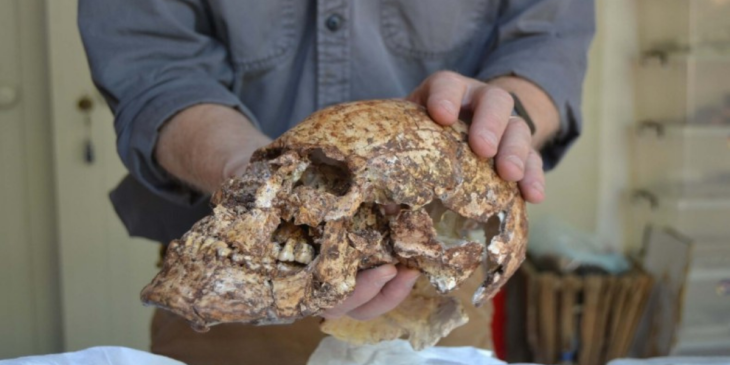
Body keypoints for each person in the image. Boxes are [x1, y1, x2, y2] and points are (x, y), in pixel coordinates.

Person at [79, 1, 594, 363]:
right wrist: (256, 182)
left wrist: (500, 116)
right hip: (240, 271)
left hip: (432, 287)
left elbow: (548, 39)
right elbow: (154, 65)